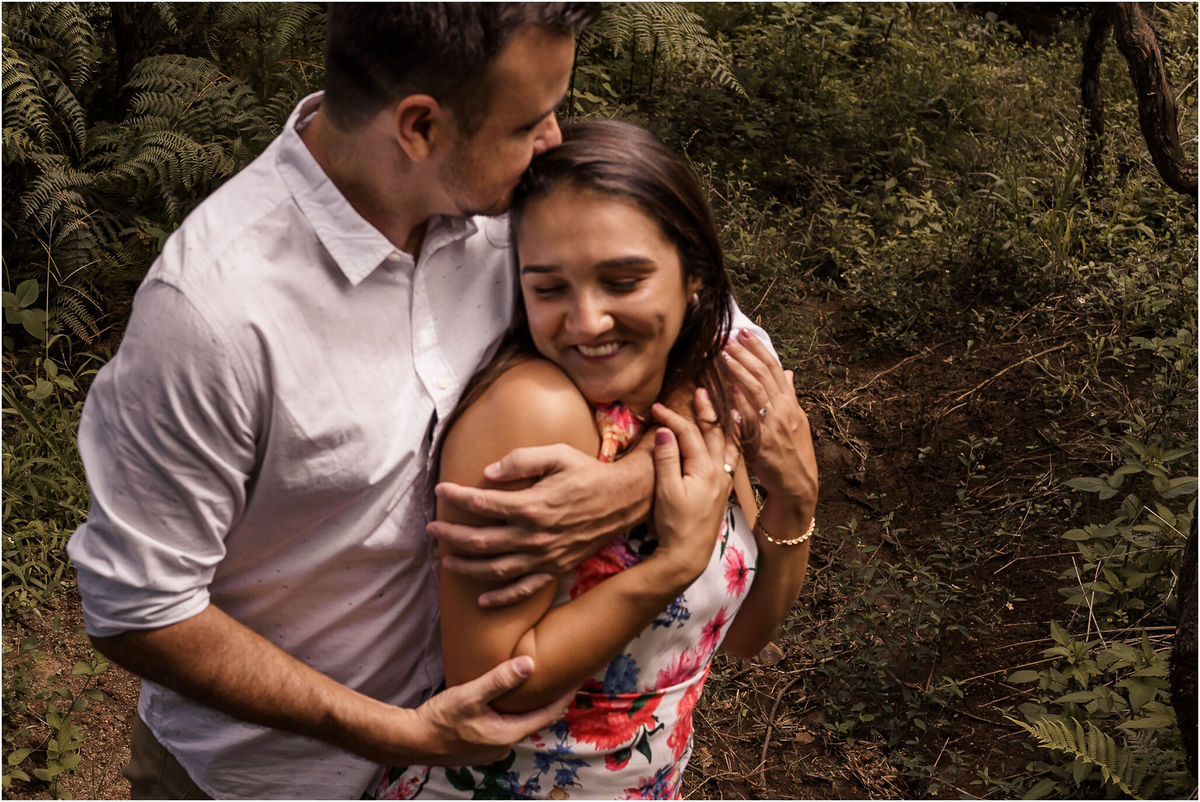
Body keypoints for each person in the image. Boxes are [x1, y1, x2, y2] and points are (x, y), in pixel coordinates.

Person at [64, 5, 777, 800]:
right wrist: (401, 731)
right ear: (420, 127)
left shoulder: (515, 208)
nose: (552, 140)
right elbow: (137, 608)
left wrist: (628, 485)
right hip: (266, 778)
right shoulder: (213, 312)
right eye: (529, 121)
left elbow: (720, 342)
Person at [371, 120, 818, 799]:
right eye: (549, 289)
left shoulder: (699, 398)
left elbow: (745, 634)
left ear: (694, 276)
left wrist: (797, 499)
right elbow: (489, 686)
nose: (585, 321)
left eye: (622, 280)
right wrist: (669, 566)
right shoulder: (535, 412)